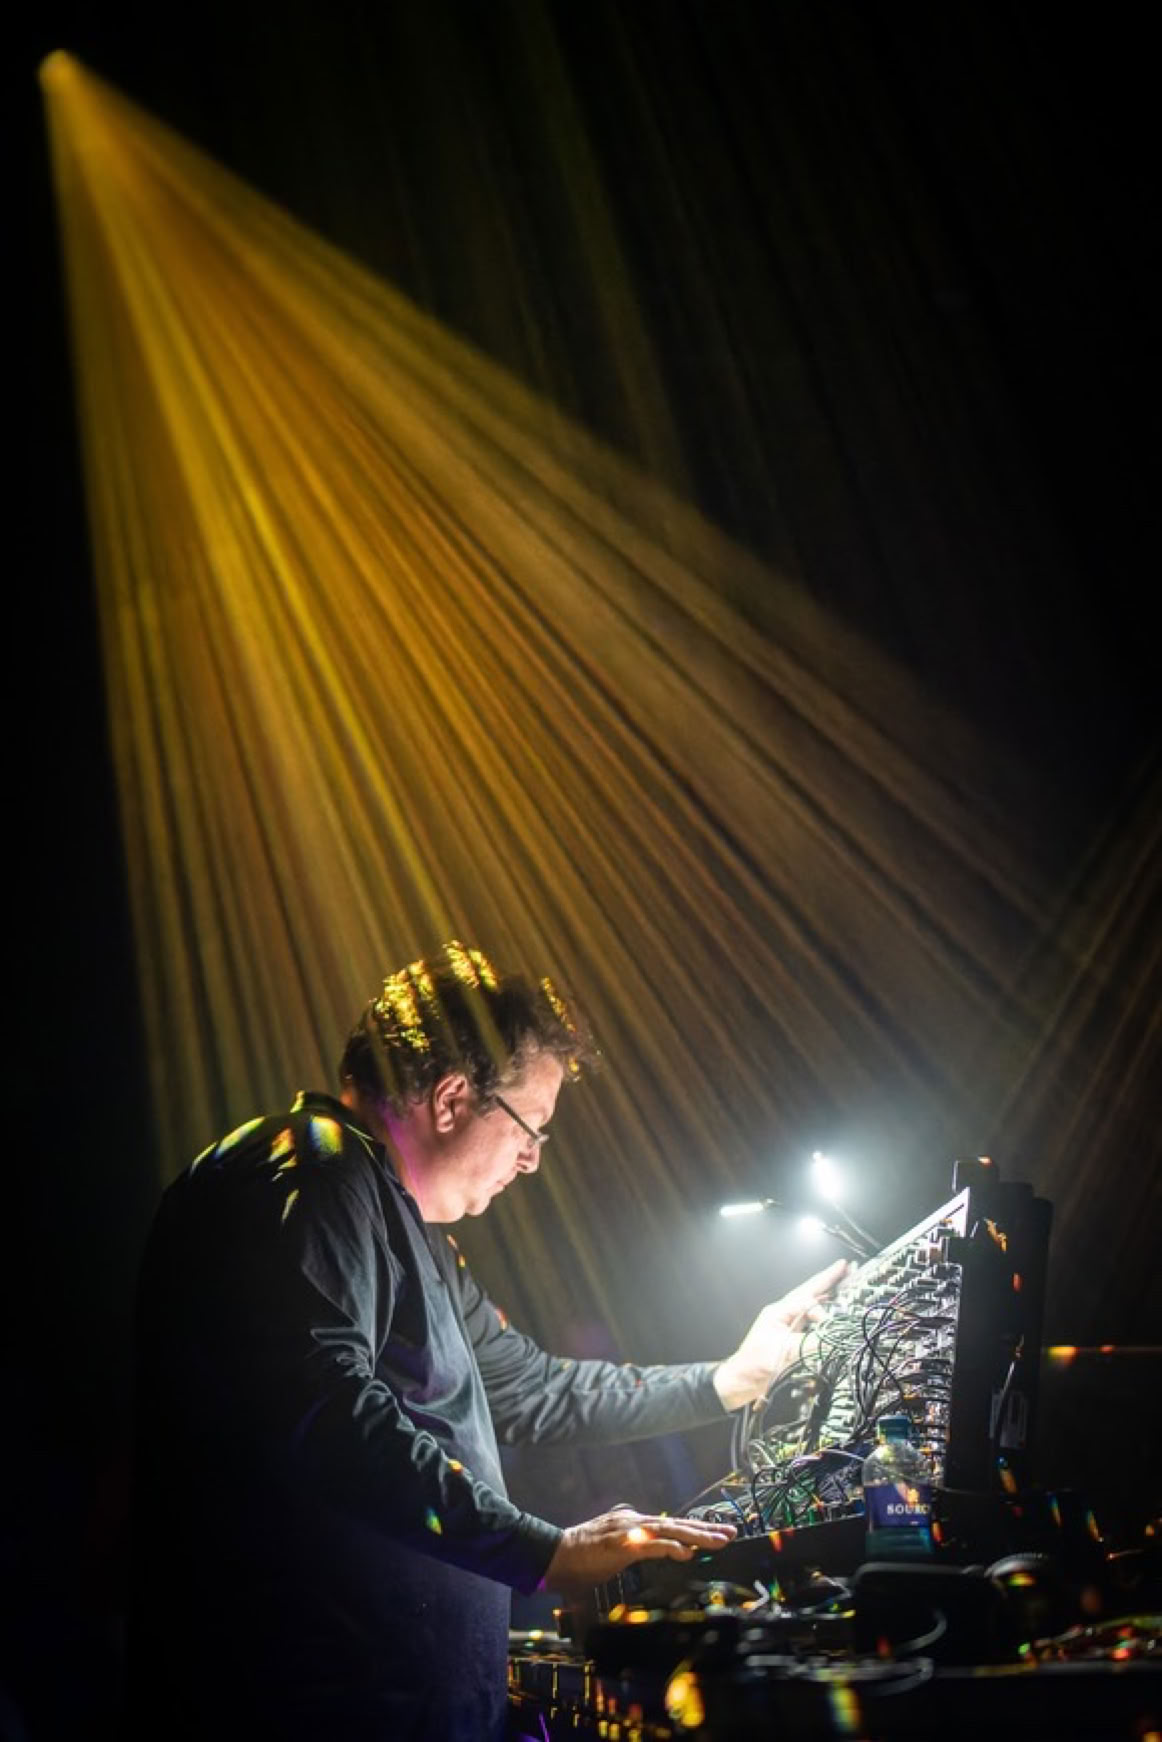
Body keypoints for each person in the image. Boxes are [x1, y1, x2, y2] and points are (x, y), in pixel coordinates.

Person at [127, 941, 846, 1740]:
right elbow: (325, 1414)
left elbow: (534, 1389)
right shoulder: (311, 1170)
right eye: (530, 1126)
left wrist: (729, 1379)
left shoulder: (405, 1228)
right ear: (451, 1099)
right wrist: (543, 1551)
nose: (532, 1160)